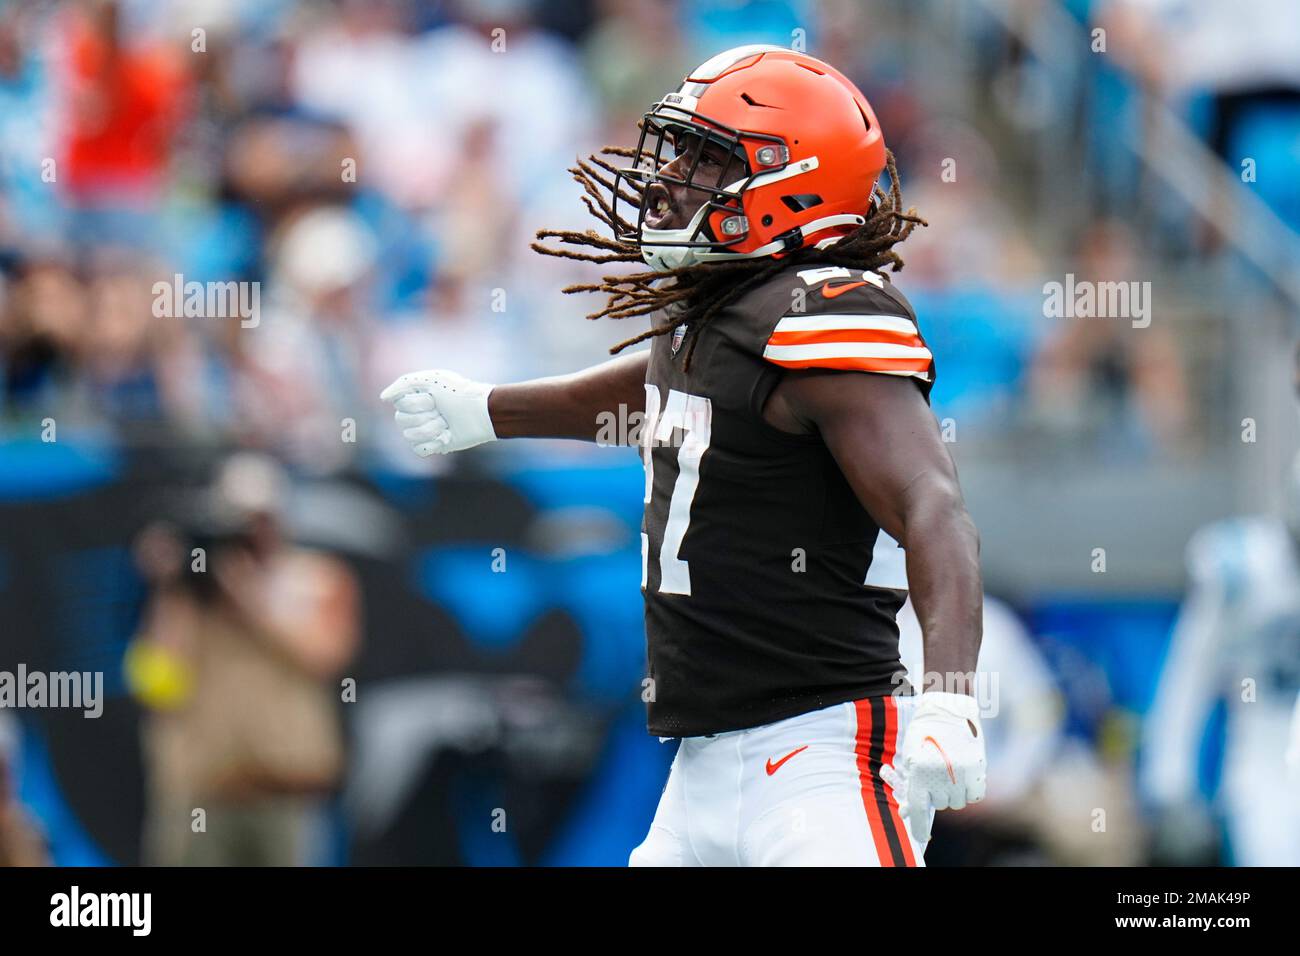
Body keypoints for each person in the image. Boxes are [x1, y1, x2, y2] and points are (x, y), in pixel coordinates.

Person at [382, 45, 985, 866]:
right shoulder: (723, 319)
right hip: (701, 767)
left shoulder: (828, 312)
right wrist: (492, 409)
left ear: (793, 182)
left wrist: (950, 700)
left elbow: (933, 505)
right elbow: (668, 390)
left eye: (707, 158)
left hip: (819, 760)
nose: (669, 179)